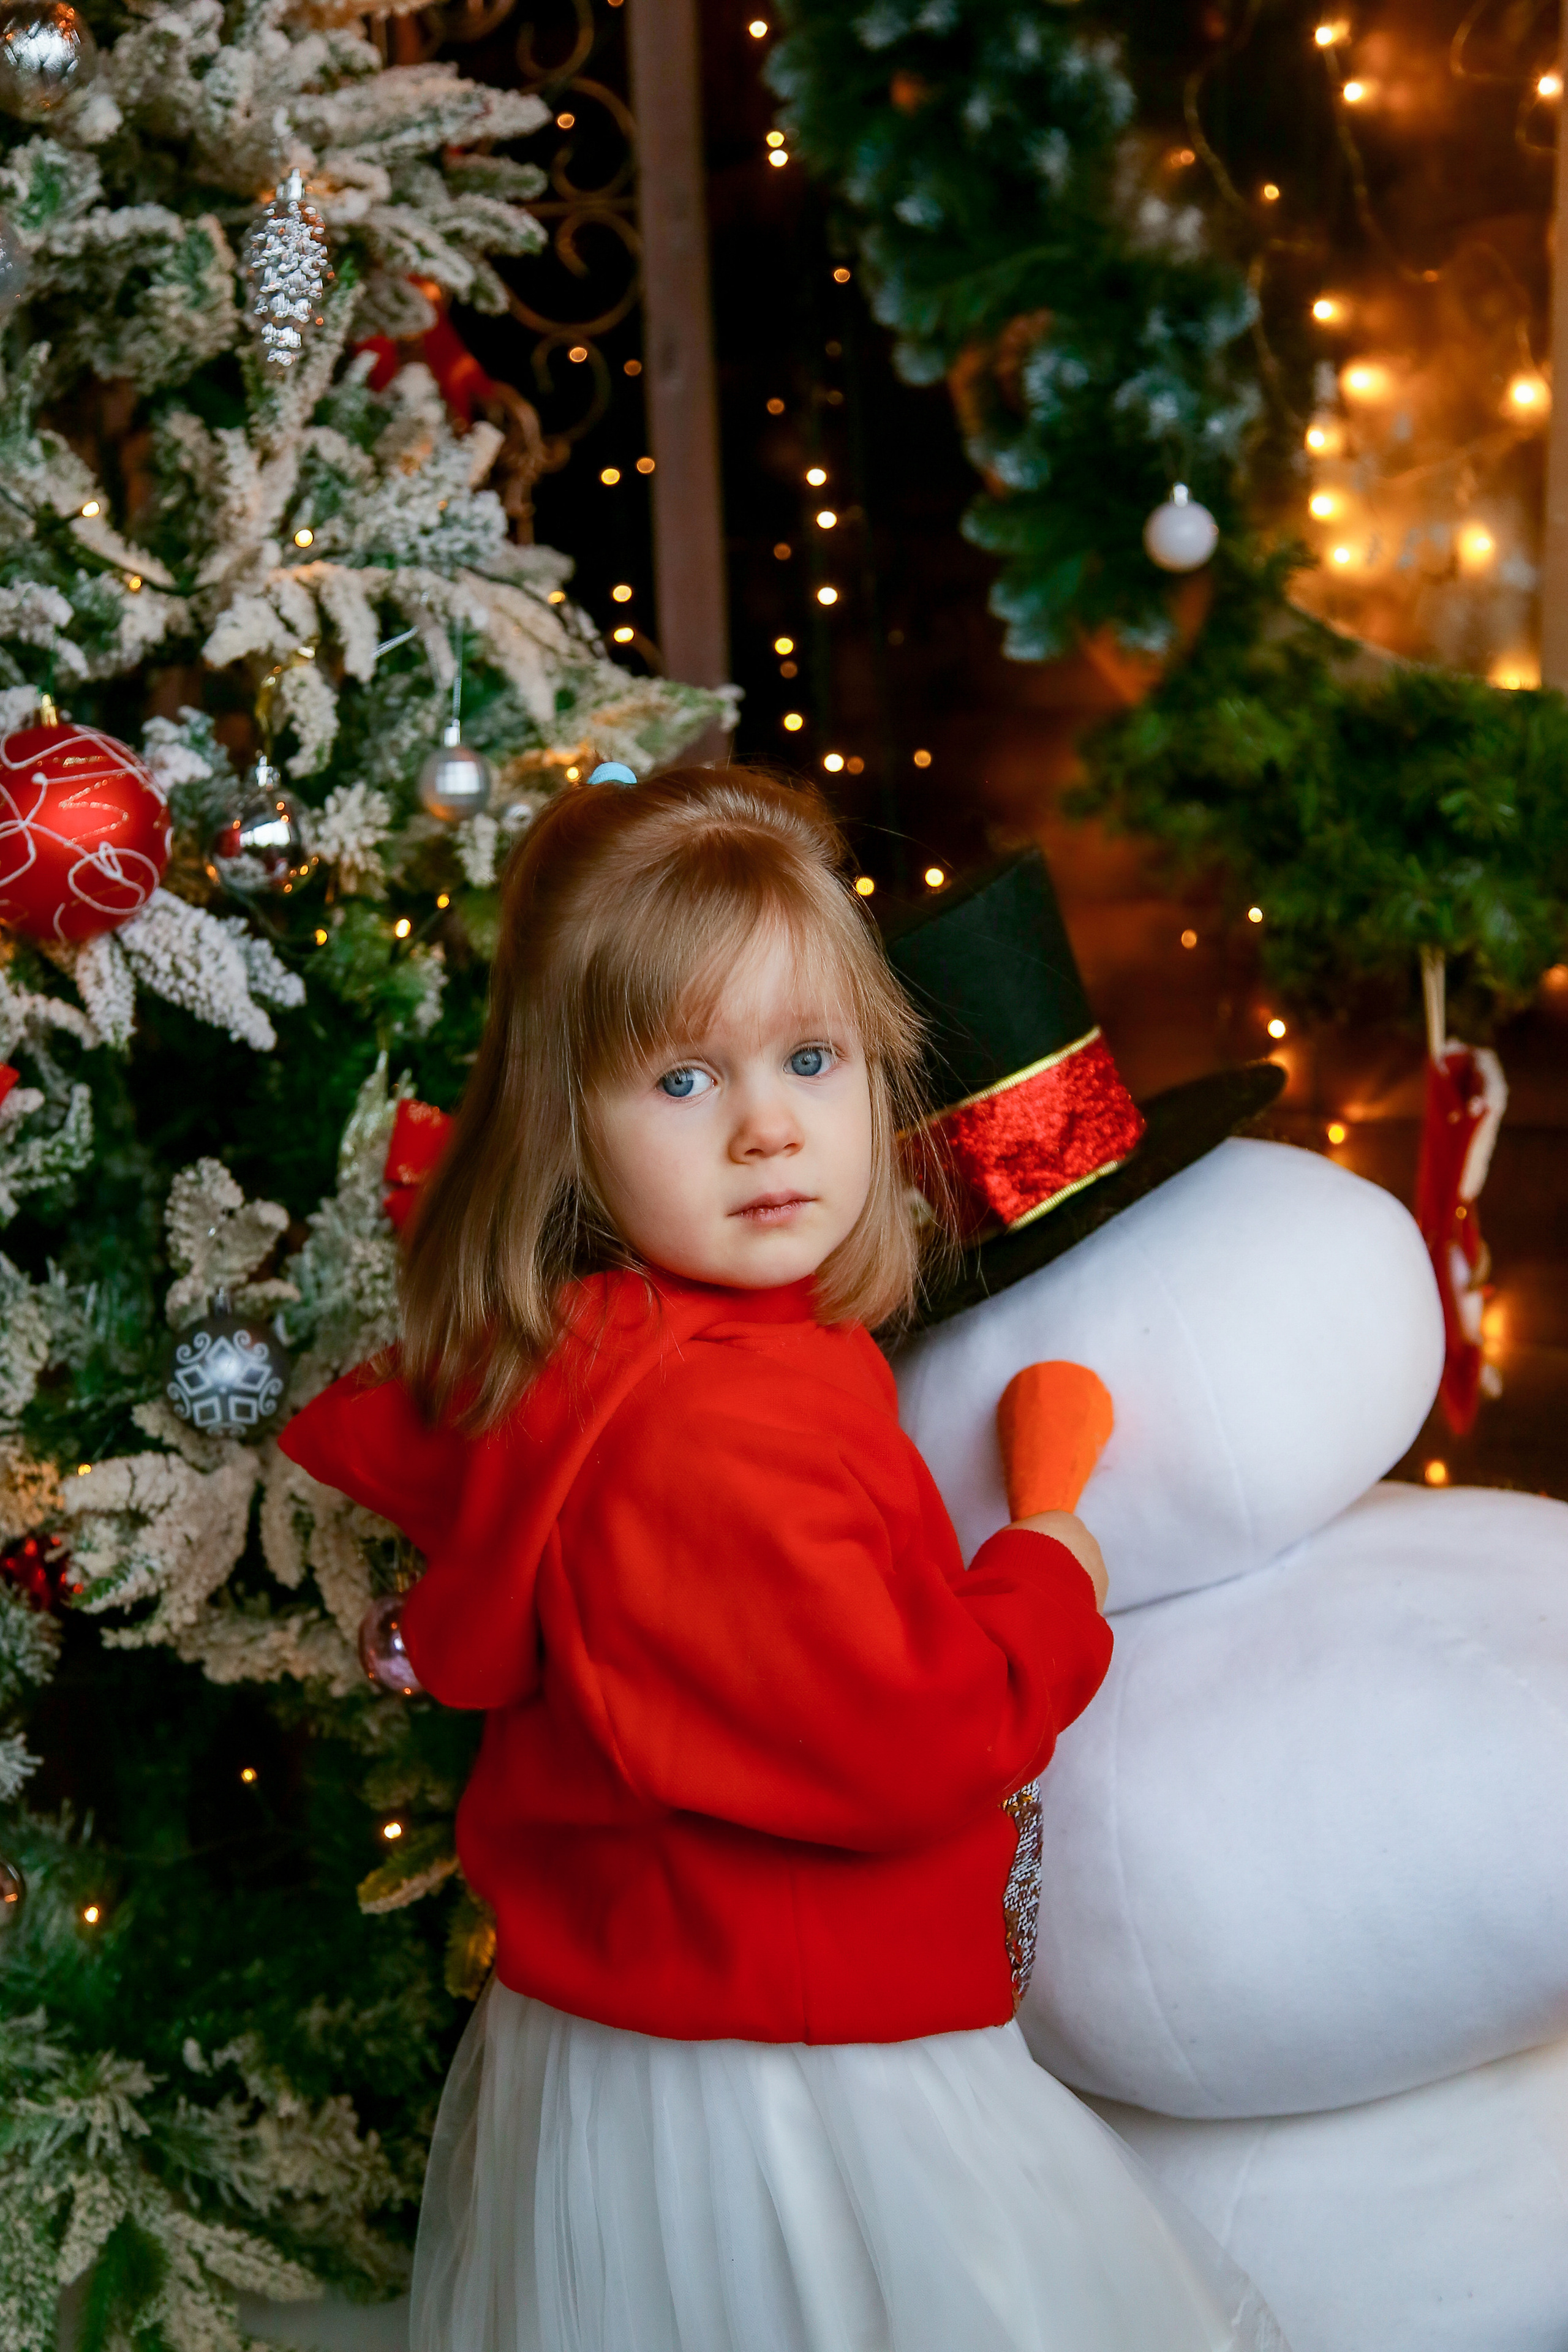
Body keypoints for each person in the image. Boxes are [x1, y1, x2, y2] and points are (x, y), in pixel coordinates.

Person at [280, 766, 1287, 2352]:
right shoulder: (719, 1431)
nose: (766, 1127)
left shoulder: (642, 1360)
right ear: (567, 1132)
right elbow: (912, 1738)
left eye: (810, 1059)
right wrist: (1046, 1564)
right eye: (683, 1081)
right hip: (801, 2068)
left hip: (639, 2029)